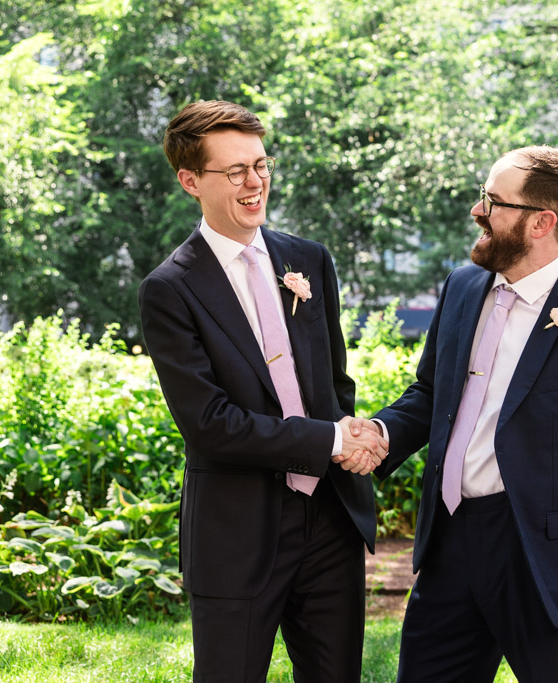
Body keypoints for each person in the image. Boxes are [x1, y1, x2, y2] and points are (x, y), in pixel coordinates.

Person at [347, 146, 558, 682]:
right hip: (449, 542)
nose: (478, 211)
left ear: (542, 222)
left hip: (544, 561)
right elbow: (430, 394)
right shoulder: (462, 286)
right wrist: (381, 431)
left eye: (493, 201)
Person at [138, 100, 388, 683]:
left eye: (261, 165)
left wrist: (349, 440)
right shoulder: (169, 290)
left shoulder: (308, 260)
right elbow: (210, 423)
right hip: (238, 530)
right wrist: (331, 438)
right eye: (235, 172)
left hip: (330, 521)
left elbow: (334, 382)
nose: (255, 184)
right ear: (190, 181)